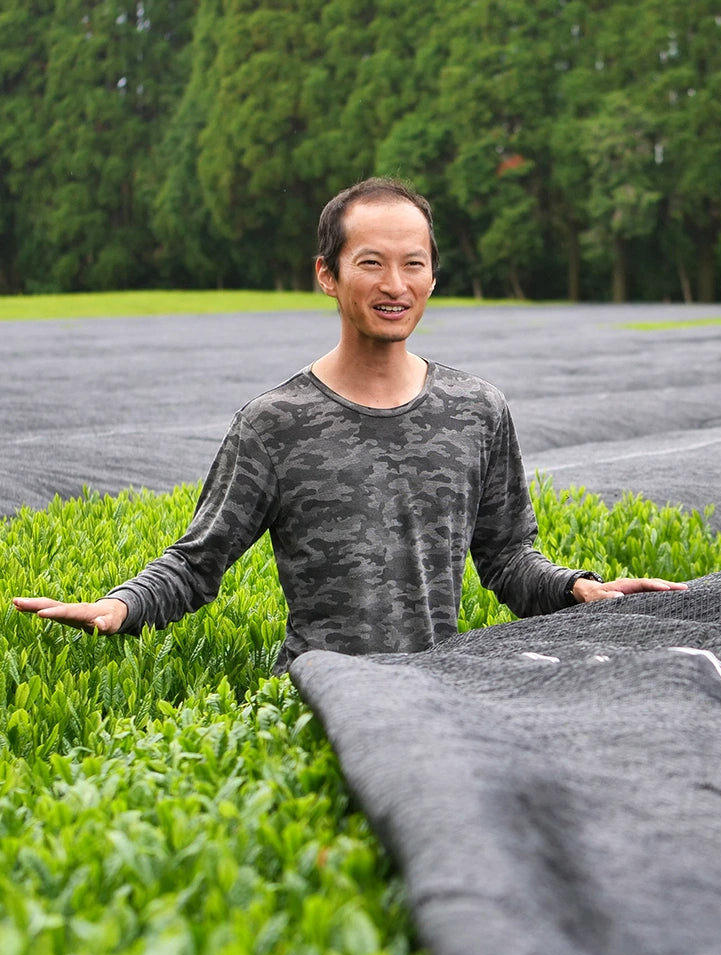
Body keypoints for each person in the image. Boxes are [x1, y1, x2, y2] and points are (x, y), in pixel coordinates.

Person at [13, 178, 686, 671]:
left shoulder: (478, 410)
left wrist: (578, 589)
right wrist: (120, 606)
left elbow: (508, 560)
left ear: (431, 275)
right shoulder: (274, 424)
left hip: (436, 693)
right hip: (320, 696)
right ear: (327, 276)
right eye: (371, 262)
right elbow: (196, 564)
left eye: (413, 263)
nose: (395, 283)